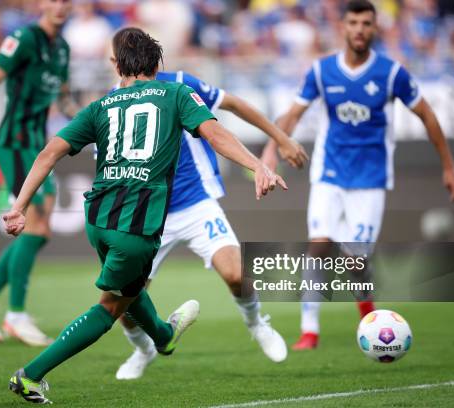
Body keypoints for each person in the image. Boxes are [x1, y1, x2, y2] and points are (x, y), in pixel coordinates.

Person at [4, 27, 287, 404]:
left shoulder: (101, 106)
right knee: (110, 309)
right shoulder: (176, 93)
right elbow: (215, 134)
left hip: (99, 218)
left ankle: (164, 338)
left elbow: (48, 154)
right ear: (158, 63)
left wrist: (19, 206)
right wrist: (258, 166)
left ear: (118, 65)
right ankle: (31, 375)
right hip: (138, 224)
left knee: (132, 291)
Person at [262, 0, 454, 351]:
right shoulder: (322, 71)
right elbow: (292, 115)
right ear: (343, 27)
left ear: (375, 28)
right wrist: (269, 154)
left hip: (370, 180)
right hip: (328, 174)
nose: (359, 29)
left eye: (366, 23)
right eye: (353, 22)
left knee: (357, 259)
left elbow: (428, 116)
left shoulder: (390, 73)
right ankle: (309, 330)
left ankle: (368, 315)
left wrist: (449, 166)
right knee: (318, 245)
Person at [115, 70, 309, 380]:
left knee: (235, 273)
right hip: (147, 214)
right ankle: (143, 350)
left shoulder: (179, 82)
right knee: (124, 308)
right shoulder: (112, 103)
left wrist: (280, 138)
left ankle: (257, 323)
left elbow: (232, 105)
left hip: (194, 202)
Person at [0, 0, 80, 347]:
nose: (60, 6)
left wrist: (88, 116)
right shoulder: (23, 38)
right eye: (54, 0)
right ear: (42, 4)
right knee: (35, 222)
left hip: (39, 146)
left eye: (66, 1)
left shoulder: (63, 49)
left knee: (42, 226)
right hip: (14, 142)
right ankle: (16, 315)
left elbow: (64, 100)